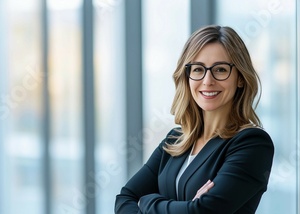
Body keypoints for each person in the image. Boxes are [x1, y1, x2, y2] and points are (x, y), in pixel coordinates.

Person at [114, 25, 274, 214]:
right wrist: (187, 207)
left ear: (240, 78)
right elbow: (124, 199)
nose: (207, 81)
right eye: (198, 69)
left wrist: (146, 202)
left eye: (221, 70)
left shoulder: (252, 144)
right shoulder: (176, 140)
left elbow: (203, 212)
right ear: (187, 76)